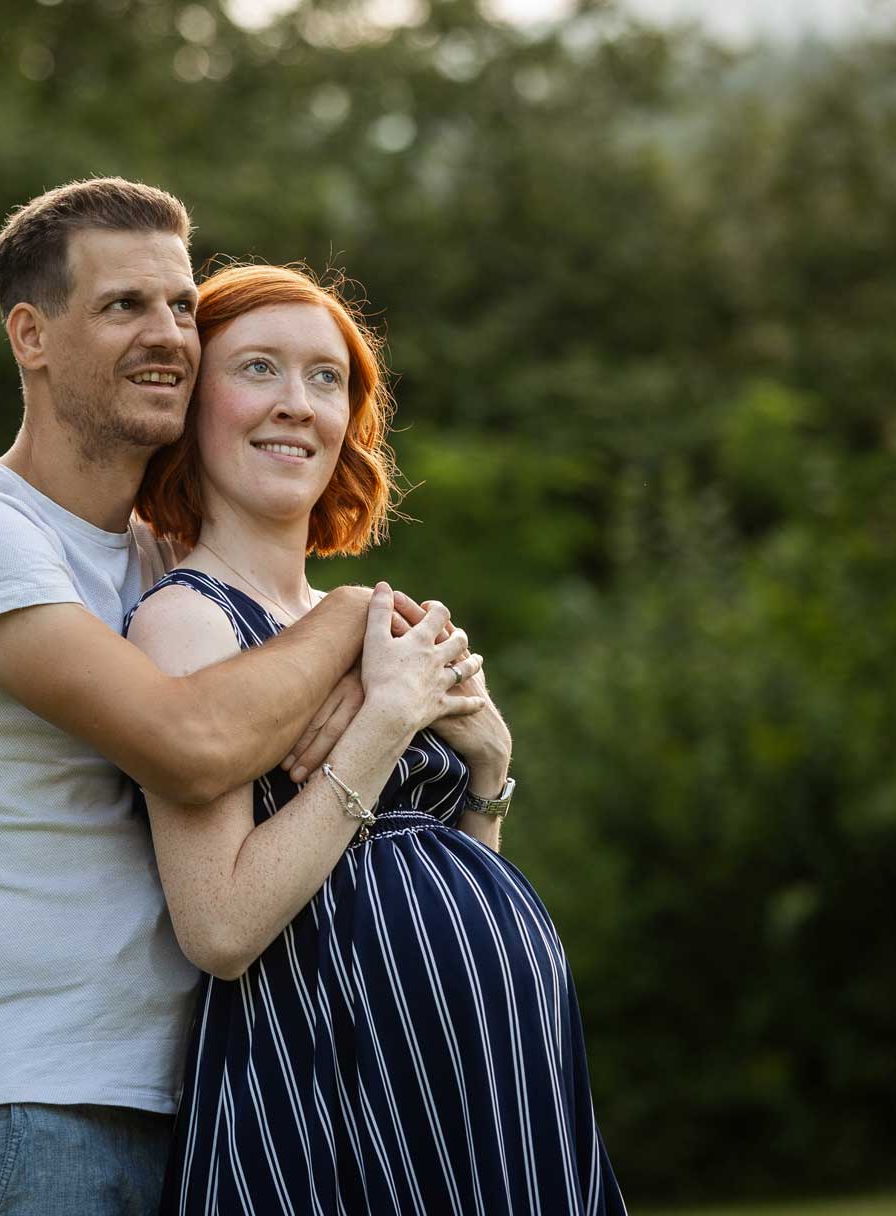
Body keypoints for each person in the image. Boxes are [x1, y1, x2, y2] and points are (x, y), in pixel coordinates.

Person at [0, 181, 480, 1215]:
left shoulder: (163, 565)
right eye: (123, 306)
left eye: (183, 306)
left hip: (195, 1108)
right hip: (19, 1114)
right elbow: (191, 743)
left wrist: (401, 686)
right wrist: (348, 624)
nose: (170, 336)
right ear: (31, 335)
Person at [126, 263, 626, 1214]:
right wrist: (391, 716)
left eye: (326, 378)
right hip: (338, 1077)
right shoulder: (187, 620)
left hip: (493, 1078)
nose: (297, 405)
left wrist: (488, 768)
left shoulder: (364, 624)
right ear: (192, 406)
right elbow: (221, 929)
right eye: (259, 369)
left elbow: (434, 862)